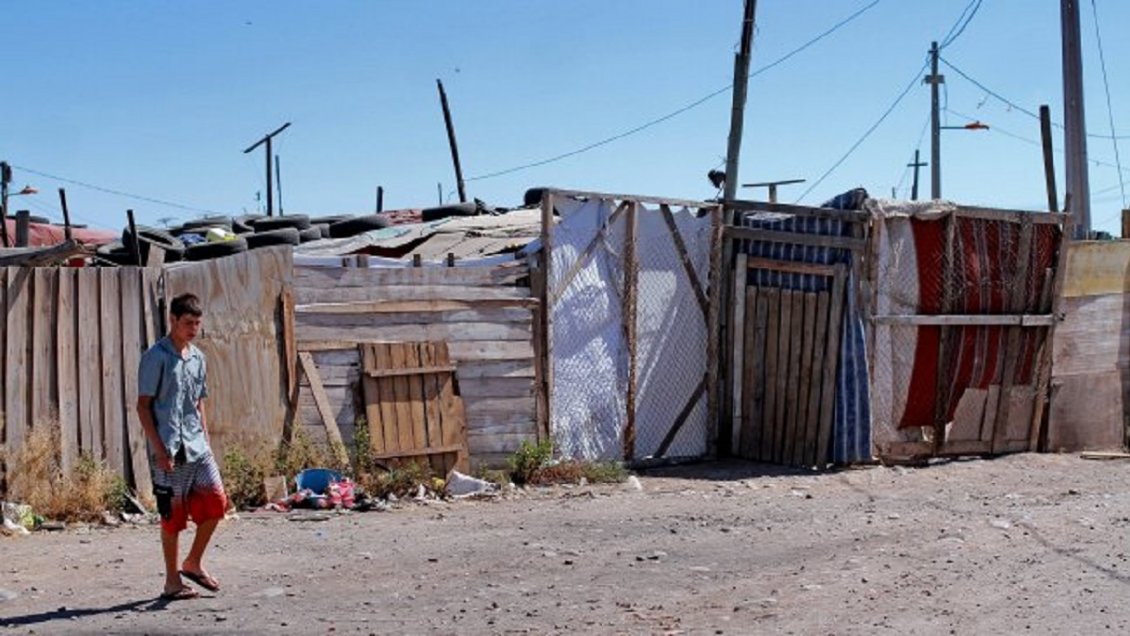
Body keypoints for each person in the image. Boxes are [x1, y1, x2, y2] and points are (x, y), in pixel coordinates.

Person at [136, 293, 227, 601]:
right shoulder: (156, 357)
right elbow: (143, 407)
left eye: (197, 323)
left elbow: (199, 400)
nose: (193, 329)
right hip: (169, 449)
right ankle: (172, 581)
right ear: (172, 320)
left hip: (197, 446)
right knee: (172, 518)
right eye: (188, 323)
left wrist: (206, 437)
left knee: (217, 502)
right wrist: (159, 450)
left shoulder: (198, 358)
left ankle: (193, 562)